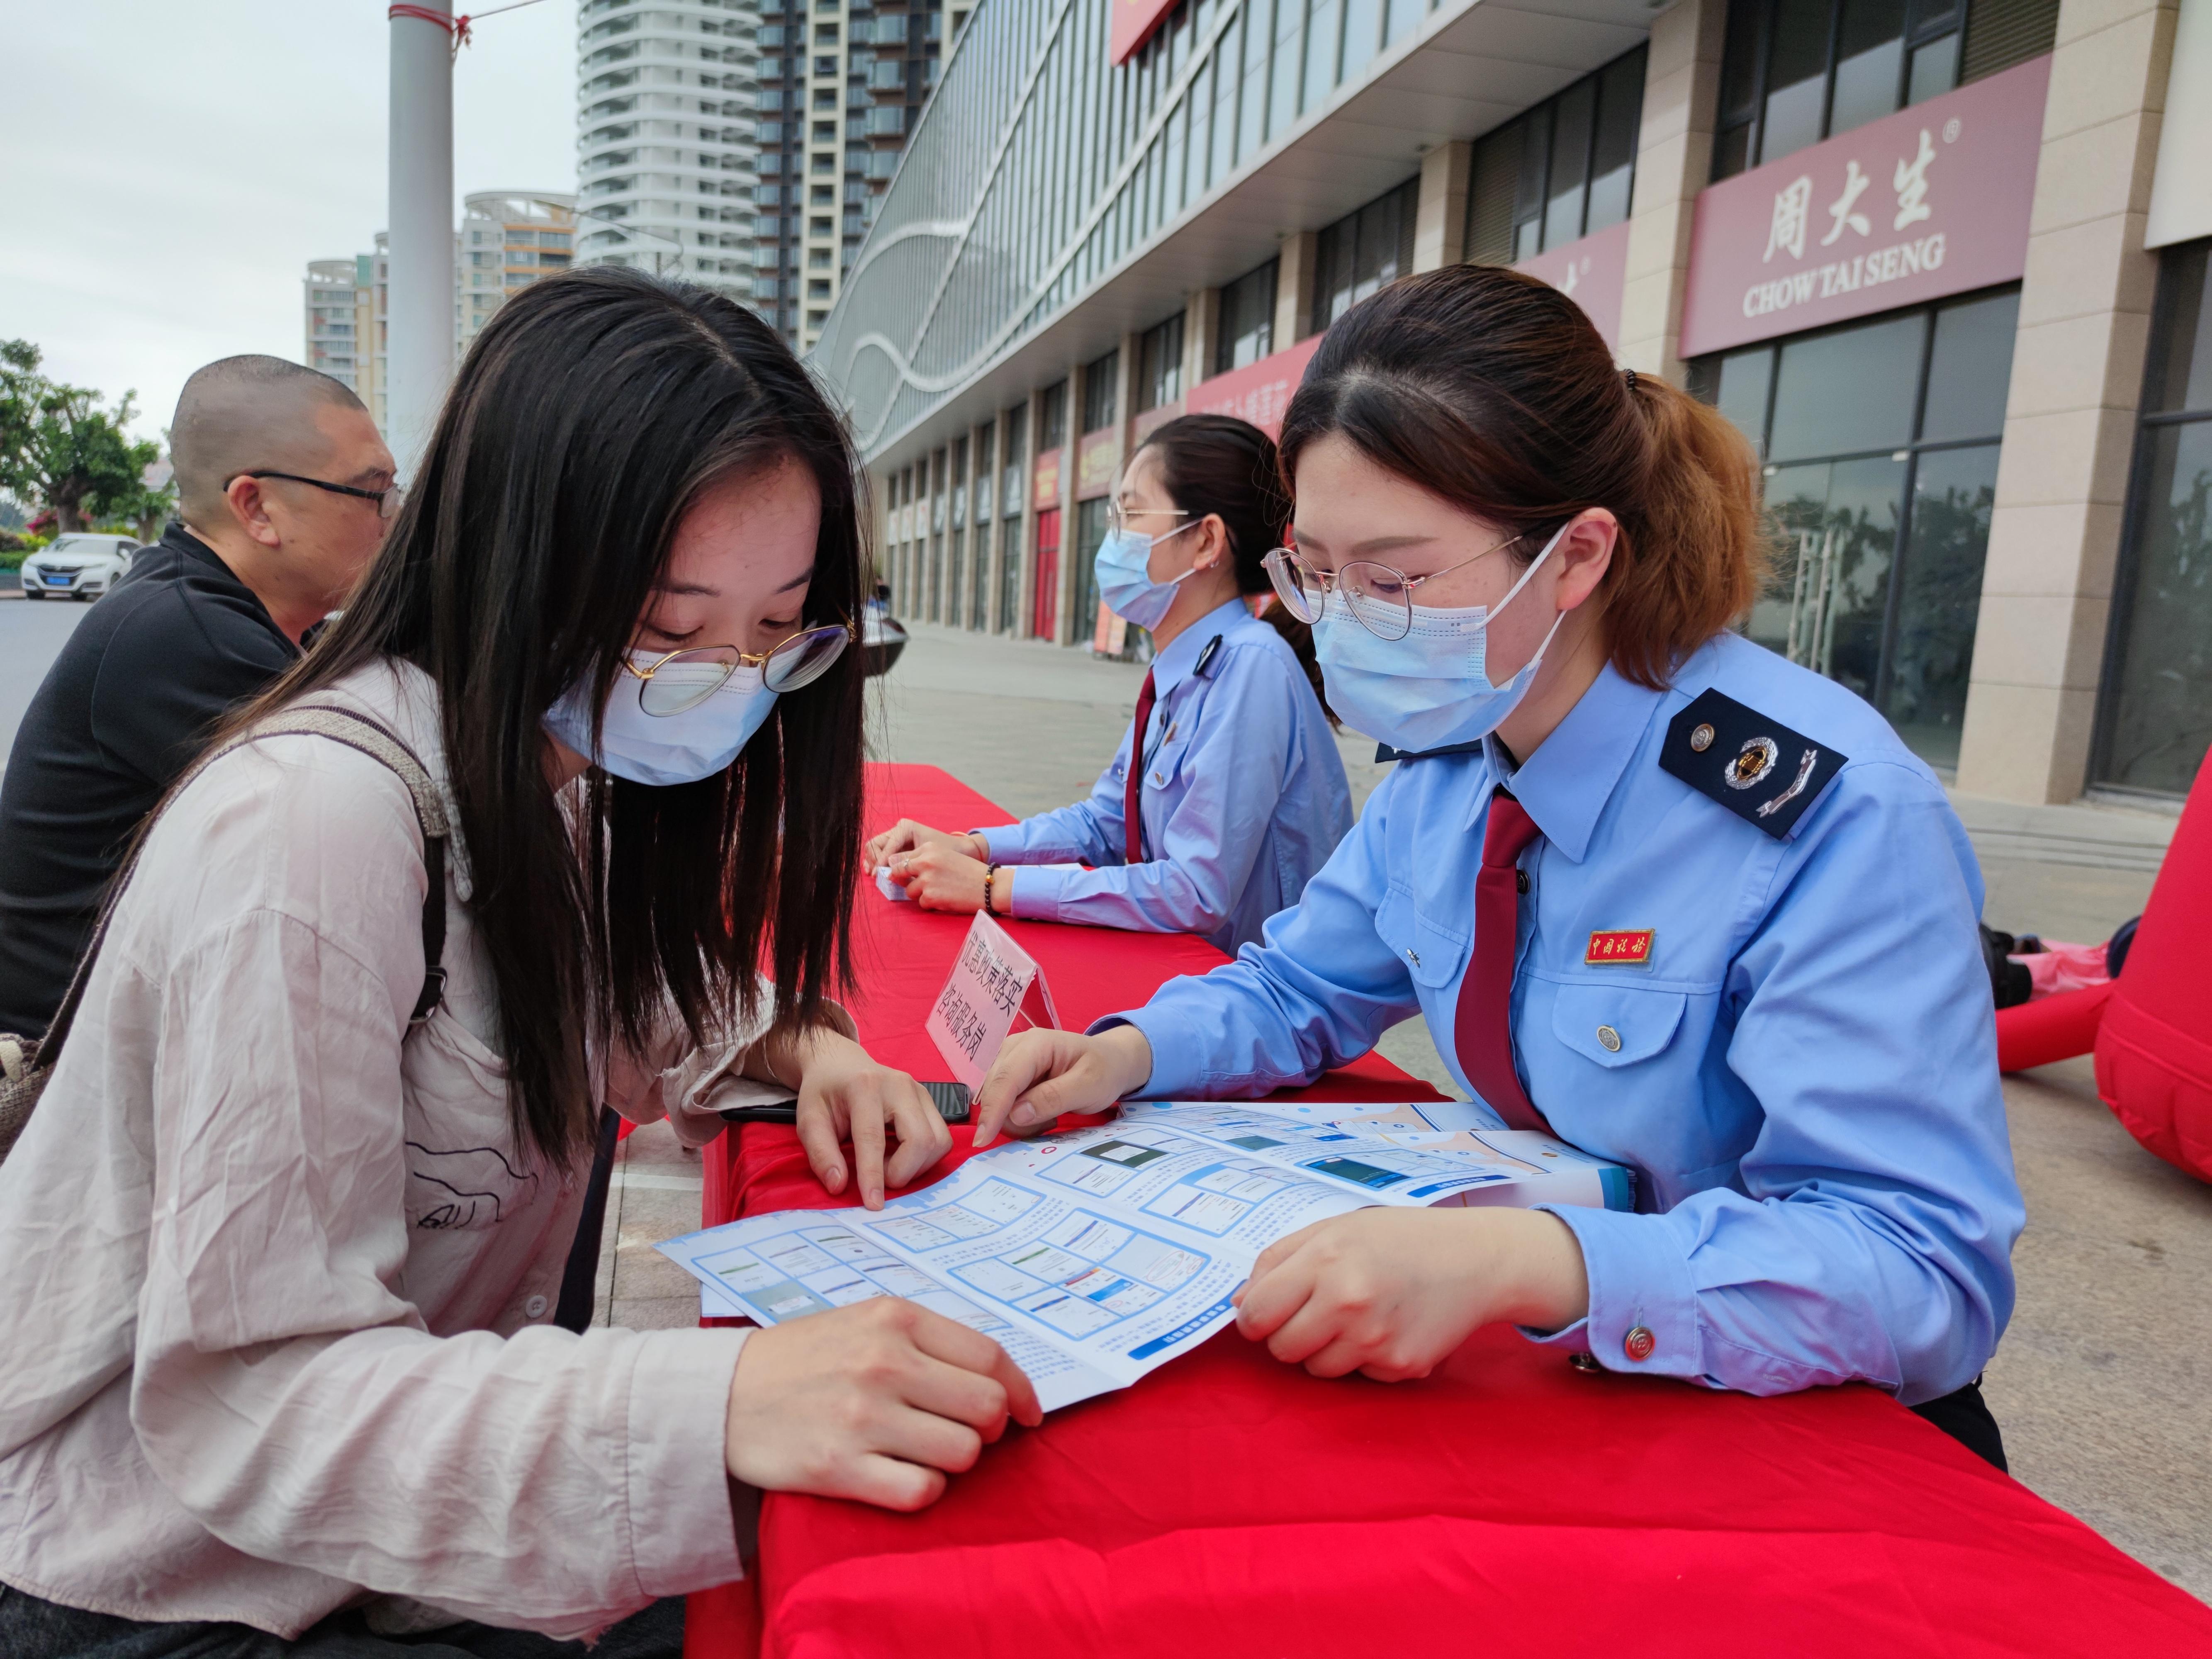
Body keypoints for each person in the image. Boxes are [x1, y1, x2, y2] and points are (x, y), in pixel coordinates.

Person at [0, 269, 1037, 1658]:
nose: (727, 678)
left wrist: (807, 1042)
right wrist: (718, 1402)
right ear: (507, 563)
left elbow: (630, 1001)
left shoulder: (549, 770)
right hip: (159, 1572)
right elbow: (253, 1395)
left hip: (346, 1527)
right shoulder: (309, 831)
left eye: (779, 629)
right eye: (669, 631)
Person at [970, 264, 2023, 1468]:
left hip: (1808, 1436)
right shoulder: (1455, 759)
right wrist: (1126, 1051)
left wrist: (1529, 1264)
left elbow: (1918, 1265)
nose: (1343, 622)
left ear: (1573, 558)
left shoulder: (1819, 812)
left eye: (1395, 580)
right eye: (1314, 570)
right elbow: (1297, 987)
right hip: (1567, 1389)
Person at [0, 355, 394, 1038]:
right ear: (257, 507)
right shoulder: (185, 634)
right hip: (62, 1072)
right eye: (371, 493)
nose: (392, 520)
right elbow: (395, 815)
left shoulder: (216, 611)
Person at [865, 414, 1353, 955]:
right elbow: (1103, 824)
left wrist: (990, 887)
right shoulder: (1185, 668)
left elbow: (1196, 890)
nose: (1111, 538)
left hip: (1245, 994)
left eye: (1131, 513)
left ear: (1205, 540)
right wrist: (971, 847)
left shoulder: (1250, 669)